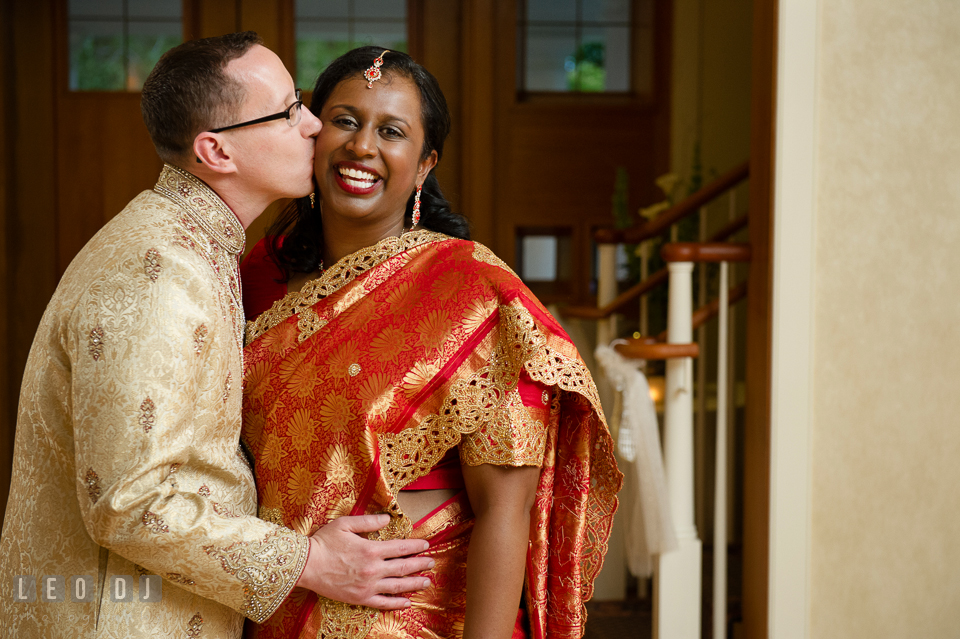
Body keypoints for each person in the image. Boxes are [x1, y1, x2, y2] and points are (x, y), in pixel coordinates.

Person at [0, 33, 434, 638]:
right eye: (287, 112)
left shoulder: (199, 249)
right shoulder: (158, 273)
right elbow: (131, 502)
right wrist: (310, 560)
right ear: (216, 151)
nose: (313, 126)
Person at [240, 46, 623, 639]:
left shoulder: (472, 293)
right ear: (313, 136)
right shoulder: (256, 277)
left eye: (390, 131)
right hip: (277, 604)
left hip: (422, 620)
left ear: (423, 166)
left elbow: (506, 508)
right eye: (344, 120)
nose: (362, 146)